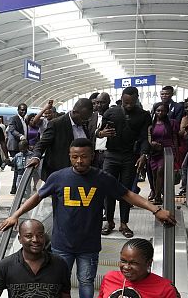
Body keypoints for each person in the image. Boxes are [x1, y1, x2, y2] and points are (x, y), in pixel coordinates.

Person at [0, 139, 177, 298]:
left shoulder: (102, 178)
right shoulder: (58, 177)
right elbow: (37, 197)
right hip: (61, 244)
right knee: (58, 282)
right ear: (69, 156)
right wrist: (16, 214)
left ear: (92, 156)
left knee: (86, 282)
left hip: (88, 245)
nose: (79, 161)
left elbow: (127, 194)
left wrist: (155, 209)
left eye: (84, 156)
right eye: (75, 157)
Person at [99, 90, 152, 238]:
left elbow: (145, 138)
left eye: (131, 102)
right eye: (125, 102)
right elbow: (98, 132)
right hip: (111, 155)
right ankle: (109, 221)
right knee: (108, 188)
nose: (128, 105)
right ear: (121, 99)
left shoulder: (144, 115)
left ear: (137, 99)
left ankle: (124, 223)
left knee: (126, 191)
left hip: (130, 156)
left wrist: (143, 155)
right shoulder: (110, 112)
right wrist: (102, 134)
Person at [27, 99, 94, 180]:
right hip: (58, 175)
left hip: (80, 175)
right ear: (74, 112)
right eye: (83, 119)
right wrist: (36, 157)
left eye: (87, 119)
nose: (84, 121)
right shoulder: (56, 124)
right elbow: (42, 144)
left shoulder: (85, 124)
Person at [148, 103, 178, 205]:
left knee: (161, 171)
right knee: (155, 173)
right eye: (158, 111)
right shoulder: (151, 124)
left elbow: (174, 138)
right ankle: (158, 191)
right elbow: (148, 138)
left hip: (167, 151)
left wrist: (176, 152)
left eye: (163, 111)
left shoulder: (172, 123)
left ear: (167, 112)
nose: (161, 113)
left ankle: (157, 197)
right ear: (155, 111)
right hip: (154, 152)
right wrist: (152, 144)